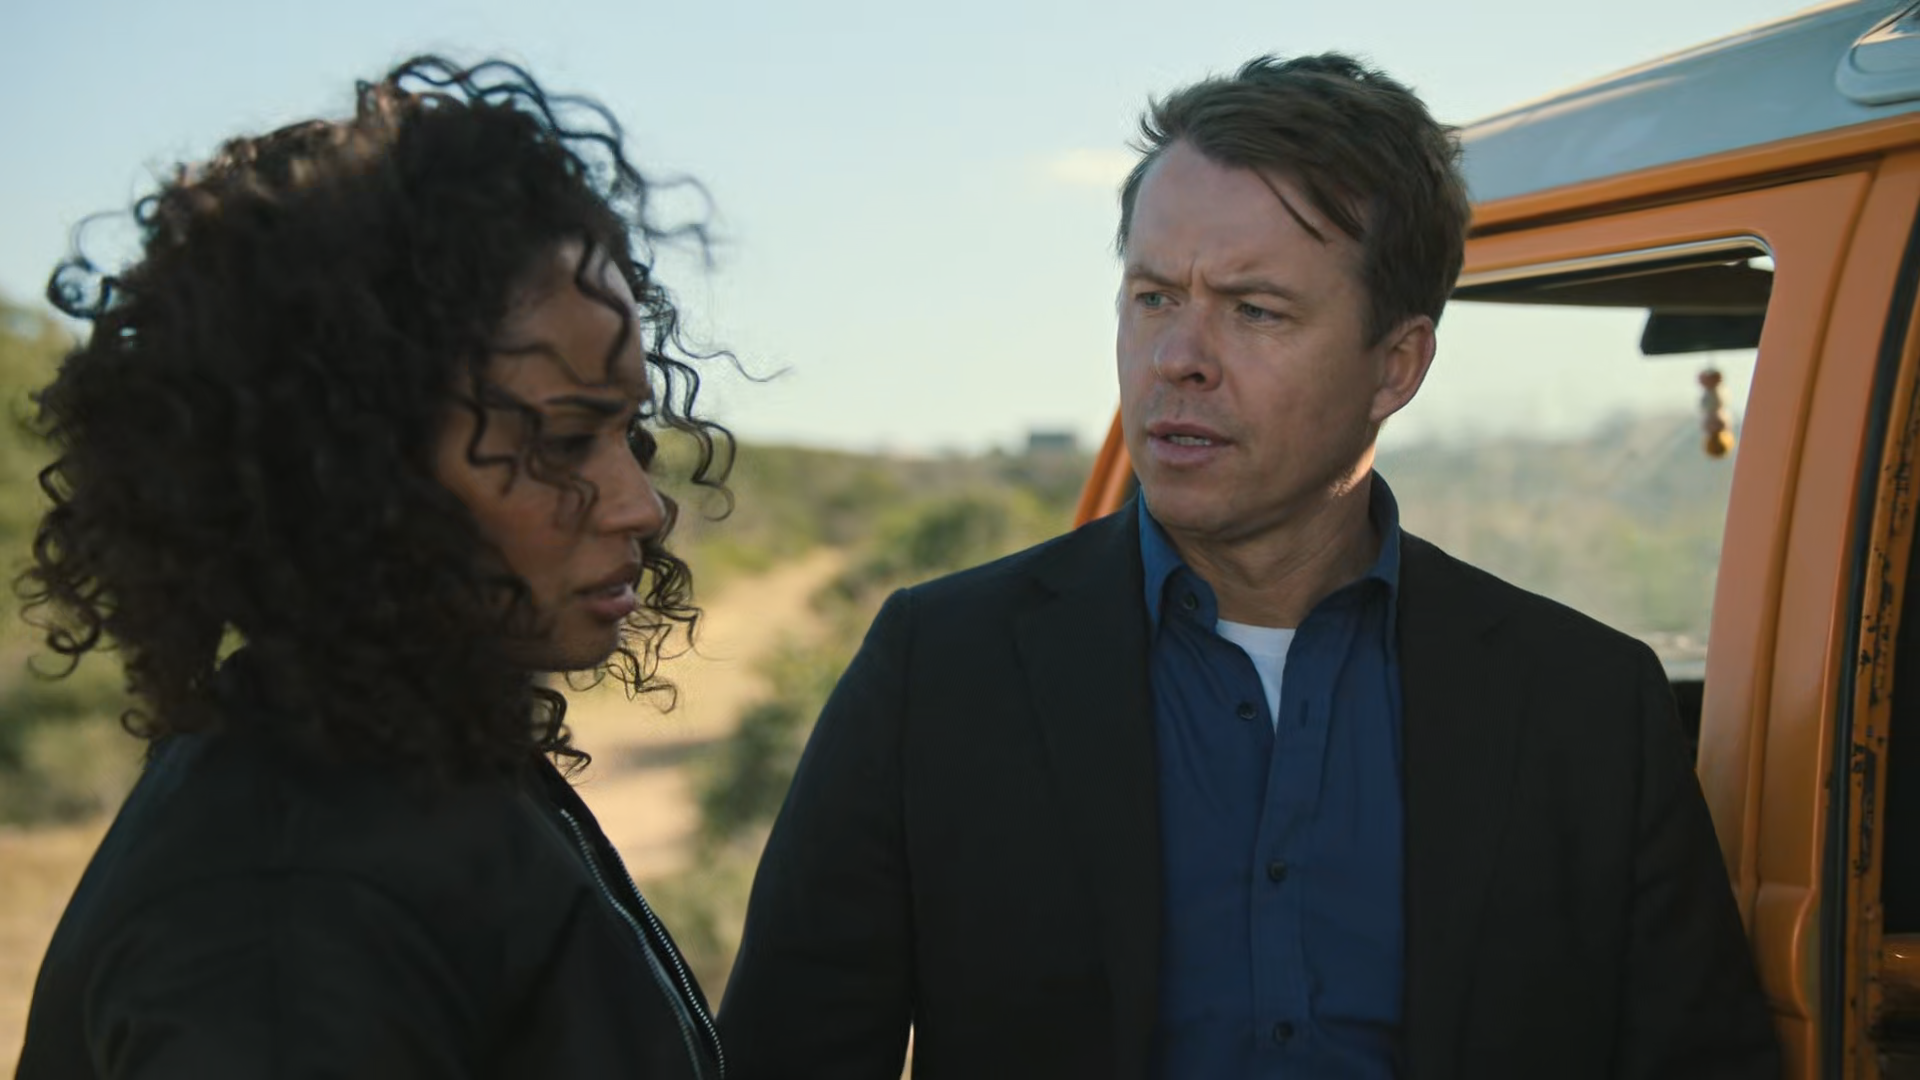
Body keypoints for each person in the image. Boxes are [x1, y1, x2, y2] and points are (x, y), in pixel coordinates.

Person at [718, 53, 1780, 1079]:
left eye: (1254, 309)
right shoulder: (940, 670)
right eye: (1153, 297)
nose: (1179, 357)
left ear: (1396, 365)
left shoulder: (1588, 704)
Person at [15, 56, 731, 1079]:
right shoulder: (284, 918)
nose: (641, 505)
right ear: (347, 465)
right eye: (564, 442)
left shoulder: (403, 769)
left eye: (630, 433)